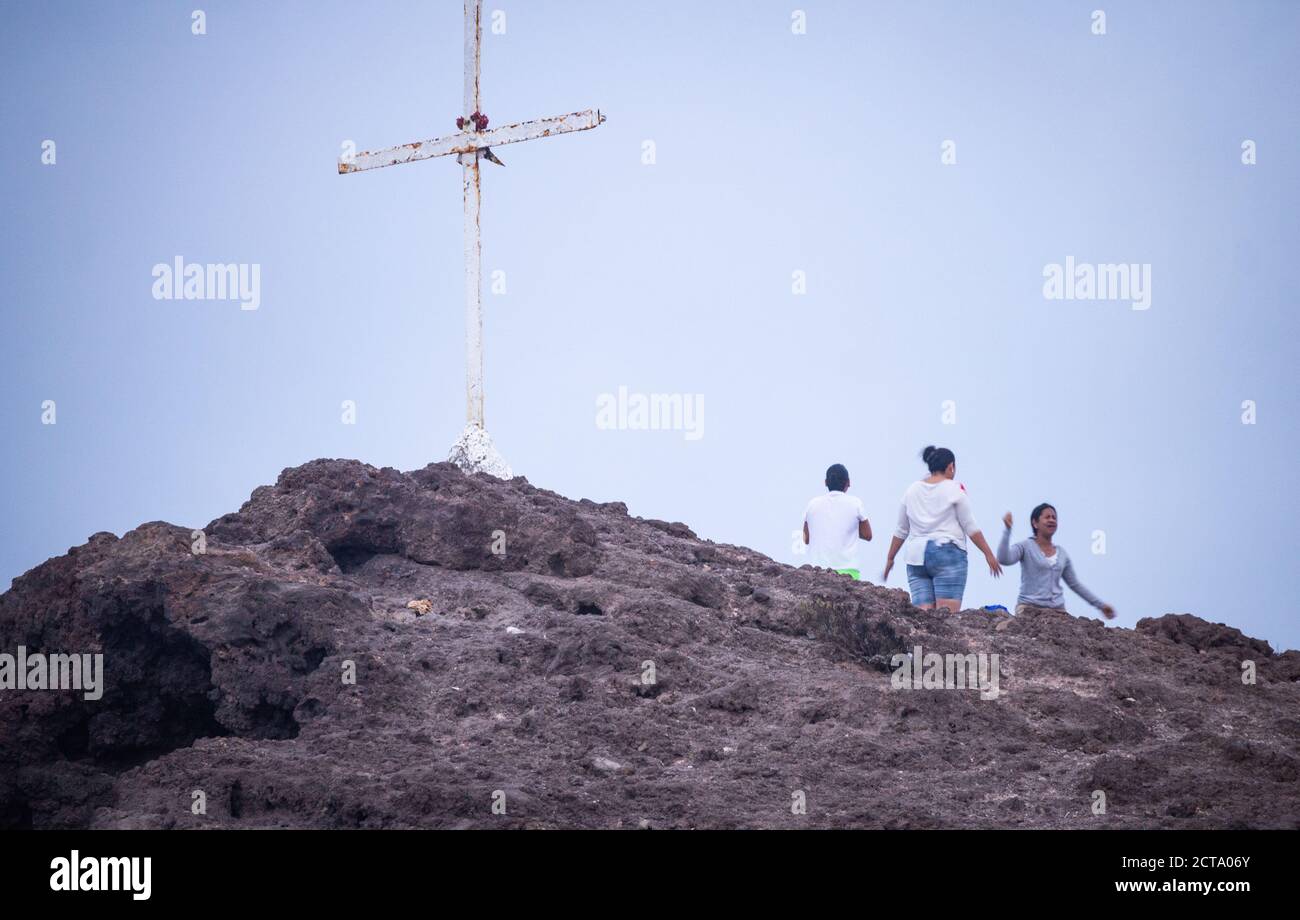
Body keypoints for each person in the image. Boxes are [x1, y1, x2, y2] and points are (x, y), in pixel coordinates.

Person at [882, 446, 1001, 610]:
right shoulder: (955, 488)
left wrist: (890, 558)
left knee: (923, 619)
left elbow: (901, 530)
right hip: (947, 553)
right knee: (946, 619)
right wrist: (988, 554)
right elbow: (970, 526)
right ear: (951, 467)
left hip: (916, 557)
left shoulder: (912, 490)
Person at [998, 503, 1115, 619]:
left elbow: (1075, 585)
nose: (1052, 520)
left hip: (1058, 612)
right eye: (1047, 517)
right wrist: (1007, 530)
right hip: (1029, 610)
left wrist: (1101, 605)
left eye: (1054, 518)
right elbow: (1004, 559)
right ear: (1035, 523)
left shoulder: (1061, 553)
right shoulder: (1025, 546)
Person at [803, 463, 872, 579]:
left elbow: (806, 539)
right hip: (849, 573)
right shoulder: (855, 503)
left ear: (825, 482)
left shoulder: (812, 504)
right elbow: (868, 535)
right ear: (848, 482)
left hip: (818, 572)